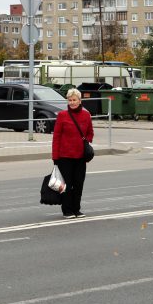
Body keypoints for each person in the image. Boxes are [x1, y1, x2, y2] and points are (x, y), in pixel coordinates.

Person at [52, 87, 94, 219]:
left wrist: (85, 142)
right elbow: (56, 137)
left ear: (79, 100)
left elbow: (90, 133)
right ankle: (67, 210)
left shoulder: (86, 115)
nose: (72, 102)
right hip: (65, 156)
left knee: (78, 184)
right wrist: (55, 157)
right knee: (66, 185)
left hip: (81, 156)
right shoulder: (62, 115)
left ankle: (77, 209)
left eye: (74, 100)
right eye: (69, 100)